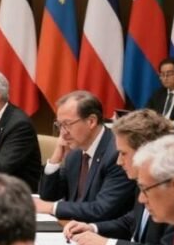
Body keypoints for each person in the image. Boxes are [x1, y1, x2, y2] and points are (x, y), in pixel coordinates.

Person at [63, 109, 174, 245]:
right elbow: (132, 220)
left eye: (123, 154)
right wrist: (92, 228)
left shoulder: (173, 192)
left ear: (145, 152)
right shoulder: (144, 180)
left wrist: (107, 244)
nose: (119, 162)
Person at [35, 90, 137, 222]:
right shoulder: (76, 151)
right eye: (59, 125)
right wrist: (55, 159)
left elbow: (102, 209)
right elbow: (49, 196)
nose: (62, 133)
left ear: (91, 121)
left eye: (67, 124)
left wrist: (52, 208)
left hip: (102, 234)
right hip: (72, 230)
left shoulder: (117, 154)